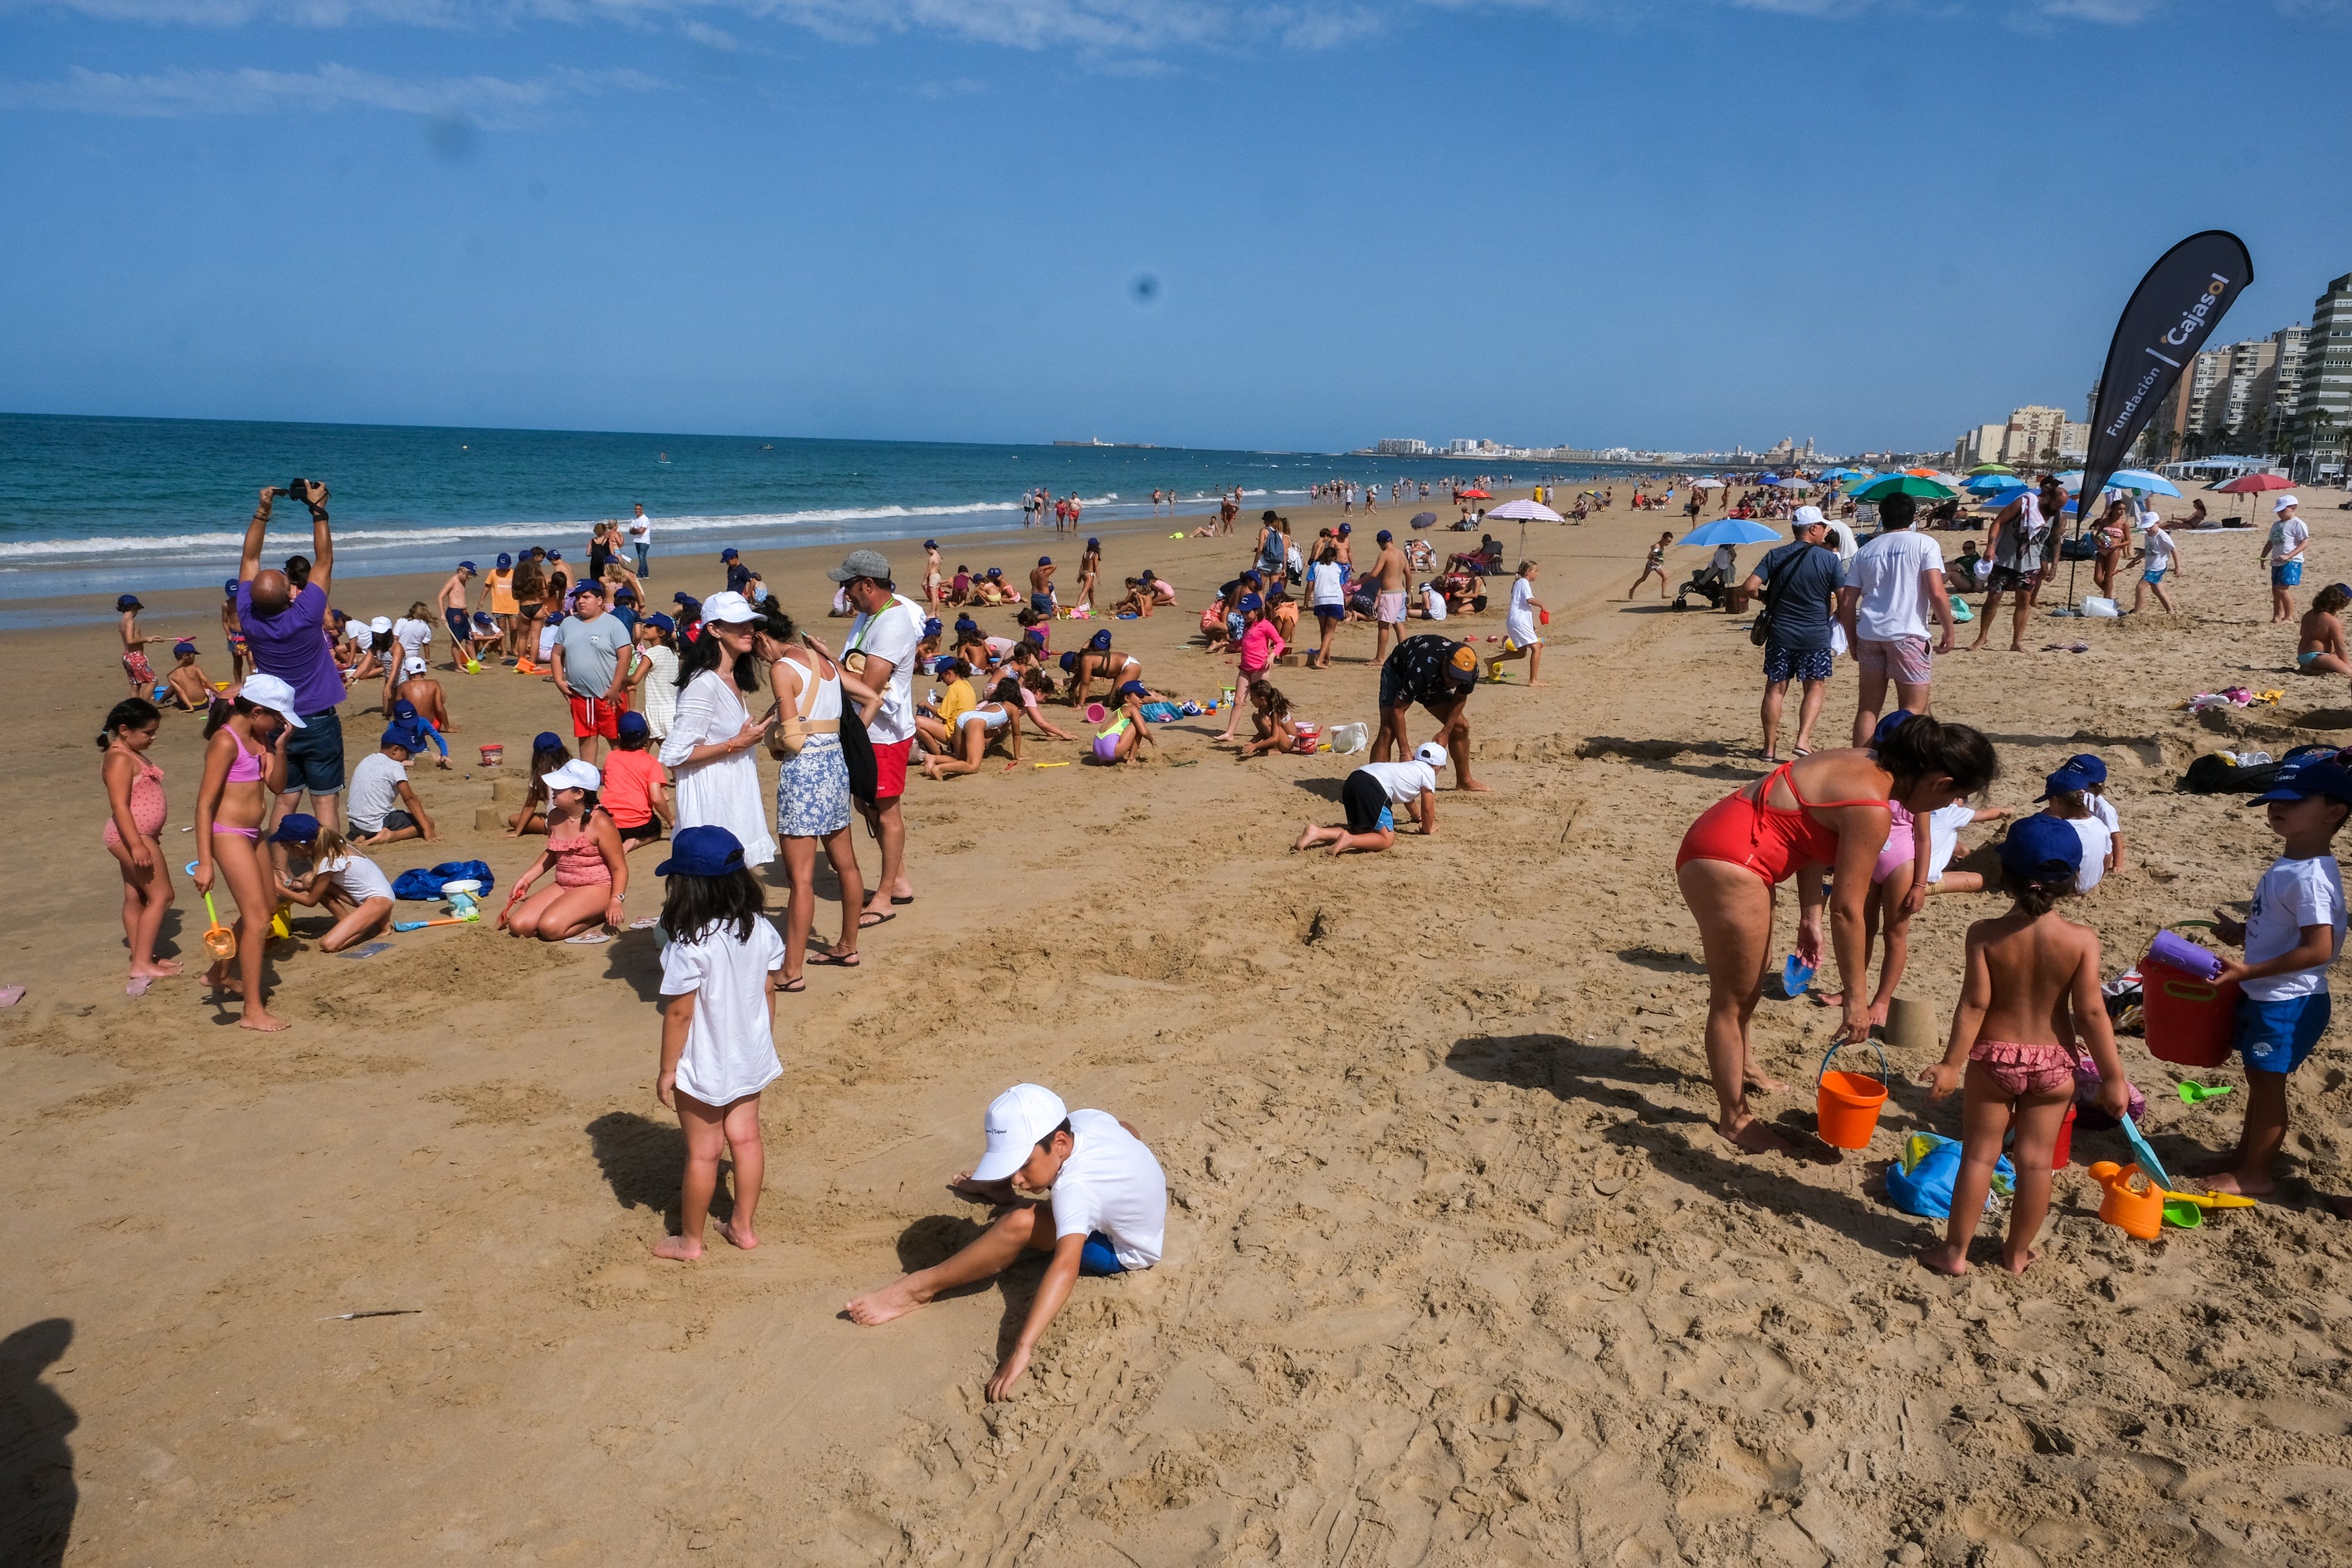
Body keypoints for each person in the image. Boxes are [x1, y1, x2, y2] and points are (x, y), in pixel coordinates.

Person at [1675, 715, 1996, 1153]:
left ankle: (1744, 1066)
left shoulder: (1866, 760)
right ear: (1941, 781)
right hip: (1732, 861)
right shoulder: (1872, 807)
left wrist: (1809, 918)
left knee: (1752, 978)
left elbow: (1808, 834)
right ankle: (1734, 1119)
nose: (1949, 806)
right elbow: (1848, 911)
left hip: (1726, 839)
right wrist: (1857, 1001)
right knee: (1733, 999)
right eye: (1956, 796)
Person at [844, 1083, 1166, 1403]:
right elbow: (1129, 1131)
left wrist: (1021, 1348)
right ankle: (1005, 1187)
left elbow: (1065, 1267)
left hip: (1123, 1249)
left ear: (1060, 1142)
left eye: (1022, 1164)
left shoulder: (1075, 1191)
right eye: (1010, 1167)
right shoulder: (1085, 1120)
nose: (1016, 1178)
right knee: (1121, 1128)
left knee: (1020, 1221)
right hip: (1127, 1191)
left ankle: (918, 1290)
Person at [1916, 816, 2130, 1276]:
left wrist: (1952, 1064)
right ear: (2073, 878)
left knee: (1978, 1155)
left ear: (2004, 873)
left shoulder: (1985, 934)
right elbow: (2092, 1014)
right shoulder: (2080, 940)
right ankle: (2015, 1254)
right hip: (2054, 1065)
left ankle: (1955, 1253)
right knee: (2035, 1165)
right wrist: (2114, 1079)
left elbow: (1974, 1004)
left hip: (1995, 1057)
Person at [2199, 757, 2351, 1199]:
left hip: (2288, 1000)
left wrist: (2249, 969)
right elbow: (2289, 931)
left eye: (2294, 800)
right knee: (2258, 1081)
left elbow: (2320, 948)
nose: (2276, 809)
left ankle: (2256, 1174)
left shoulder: (2311, 877)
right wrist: (2246, 932)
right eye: (2273, 801)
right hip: (2267, 992)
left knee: (2268, 1088)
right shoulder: (2291, 865)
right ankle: (2245, 1157)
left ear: (2334, 812)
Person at [648, 825, 783, 1260]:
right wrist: (761, 1039)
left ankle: (691, 1240)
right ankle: (742, 1226)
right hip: (750, 1053)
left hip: (704, 1061)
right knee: (746, 1140)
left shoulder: (688, 944)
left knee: (704, 1154)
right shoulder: (761, 928)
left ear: (684, 888)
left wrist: (669, 1069)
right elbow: (768, 990)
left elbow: (680, 1012)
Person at [762, 611, 868, 992]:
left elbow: (792, 739)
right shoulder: (824, 662)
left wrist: (771, 737)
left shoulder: (782, 668)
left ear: (762, 637)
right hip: (834, 765)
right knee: (847, 865)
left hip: (804, 772)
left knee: (801, 879)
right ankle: (847, 945)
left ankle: (791, 971)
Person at [194, 674, 304, 1031]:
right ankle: (252, 1011)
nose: (281, 724)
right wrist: (205, 862)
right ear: (257, 711)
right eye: (278, 718)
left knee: (268, 908)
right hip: (227, 834)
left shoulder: (260, 737)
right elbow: (204, 805)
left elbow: (276, 786)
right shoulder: (224, 742)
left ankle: (217, 973)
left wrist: (280, 746)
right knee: (257, 920)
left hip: (254, 834)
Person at [236, 482, 347, 832]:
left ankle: (278, 866)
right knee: (325, 800)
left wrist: (262, 510)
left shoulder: (248, 616)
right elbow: (324, 560)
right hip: (317, 718)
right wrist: (318, 509)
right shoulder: (306, 614)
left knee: (285, 798)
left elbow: (249, 558)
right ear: (290, 595)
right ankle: (329, 864)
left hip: (277, 718)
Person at [832, 549, 925, 923]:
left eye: (848, 586)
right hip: (868, 729)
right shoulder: (871, 616)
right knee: (866, 804)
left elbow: (868, 685)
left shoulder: (891, 623)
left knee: (887, 812)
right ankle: (898, 879)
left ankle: (885, 896)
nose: (844, 594)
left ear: (867, 585)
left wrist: (823, 665)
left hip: (884, 733)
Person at [658, 591, 778, 871]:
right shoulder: (704, 683)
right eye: (738, 624)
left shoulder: (731, 678)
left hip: (734, 796)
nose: (749, 629)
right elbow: (674, 755)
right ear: (713, 629)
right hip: (713, 803)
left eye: (750, 622)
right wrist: (735, 744)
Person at [1838, 492, 1955, 747]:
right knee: (1913, 710)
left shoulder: (1865, 551)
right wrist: (1949, 629)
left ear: (1883, 517)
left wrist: (1852, 640)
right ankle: (1907, 766)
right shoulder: (1924, 544)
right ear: (1913, 516)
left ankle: (1859, 766)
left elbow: (1847, 604)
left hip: (1870, 632)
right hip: (1908, 633)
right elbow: (1936, 591)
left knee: (1868, 709)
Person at [1743, 511, 1844, 763]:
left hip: (1781, 633)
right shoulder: (1829, 560)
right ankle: (1802, 740)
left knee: (1775, 689)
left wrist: (1766, 598)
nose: (1826, 532)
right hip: (1815, 635)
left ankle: (1768, 748)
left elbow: (1748, 587)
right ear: (1812, 529)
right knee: (1814, 687)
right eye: (1822, 527)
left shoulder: (1776, 555)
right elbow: (1844, 598)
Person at [98, 698, 178, 996]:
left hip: (141, 835)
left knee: (136, 897)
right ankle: (142, 963)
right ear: (124, 730)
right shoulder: (119, 758)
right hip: (133, 836)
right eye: (148, 732)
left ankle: (141, 955)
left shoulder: (129, 752)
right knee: (162, 895)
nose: (153, 737)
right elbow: (119, 805)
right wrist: (137, 845)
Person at [499, 758, 628, 942]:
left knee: (549, 928)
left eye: (559, 788)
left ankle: (597, 914)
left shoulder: (600, 822)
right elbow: (553, 852)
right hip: (564, 884)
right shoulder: (555, 816)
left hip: (596, 887)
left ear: (578, 794)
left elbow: (619, 867)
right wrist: (526, 879)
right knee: (519, 926)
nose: (553, 791)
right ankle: (574, 912)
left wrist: (616, 899)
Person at [1372, 634, 1487, 792]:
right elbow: (1398, 710)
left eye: (1459, 680)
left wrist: (1446, 732)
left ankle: (1464, 781)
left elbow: (1460, 697)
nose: (1454, 683)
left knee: (1460, 727)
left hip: (1433, 682)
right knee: (1388, 729)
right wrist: (1405, 752)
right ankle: (1374, 786)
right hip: (1399, 672)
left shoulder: (1470, 671)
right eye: (1452, 676)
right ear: (1446, 661)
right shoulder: (1422, 668)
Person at [268, 814, 395, 952]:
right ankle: (352, 922)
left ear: (298, 847)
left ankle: (365, 927)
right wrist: (289, 883)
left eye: (287, 849)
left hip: (379, 901)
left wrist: (279, 888)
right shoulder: (332, 847)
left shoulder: (329, 862)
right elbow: (311, 883)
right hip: (374, 897)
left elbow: (310, 901)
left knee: (329, 944)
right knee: (311, 882)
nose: (289, 854)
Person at [1295, 741, 1443, 855]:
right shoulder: (1428, 772)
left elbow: (1408, 797)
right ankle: (1349, 840)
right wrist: (1426, 828)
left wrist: (1416, 816)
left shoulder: (1408, 767)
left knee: (1362, 830)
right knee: (1386, 839)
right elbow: (1428, 808)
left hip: (1355, 778)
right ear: (1437, 767)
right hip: (1373, 787)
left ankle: (1316, 832)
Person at [1970, 475, 2059, 653]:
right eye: (2057, 504)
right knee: (1994, 597)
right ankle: (1982, 637)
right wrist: (1990, 546)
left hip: (2030, 563)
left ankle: (2017, 642)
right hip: (2004, 558)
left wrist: (2054, 564)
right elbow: (1998, 522)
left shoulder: (2057, 516)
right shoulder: (2024, 503)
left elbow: (2056, 540)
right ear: (2048, 497)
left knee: (2023, 601)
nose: (2058, 509)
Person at [552, 577, 635, 766]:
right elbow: (556, 654)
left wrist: (615, 688)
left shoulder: (613, 624)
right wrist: (559, 680)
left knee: (616, 737)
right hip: (580, 695)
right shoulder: (568, 624)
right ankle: (588, 777)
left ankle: (623, 772)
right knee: (586, 736)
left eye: (586, 597)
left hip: (609, 695)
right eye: (578, 598)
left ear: (599, 600)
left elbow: (625, 657)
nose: (580, 601)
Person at [923, 676, 1040, 777]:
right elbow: (1016, 734)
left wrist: (999, 731)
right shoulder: (1012, 707)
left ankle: (933, 758)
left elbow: (983, 731)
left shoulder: (992, 703)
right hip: (975, 722)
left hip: (963, 718)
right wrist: (1017, 756)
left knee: (960, 760)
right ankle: (939, 769)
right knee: (973, 767)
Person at [348, 723, 438, 846]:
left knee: (403, 814)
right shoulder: (395, 766)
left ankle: (367, 835)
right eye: (408, 754)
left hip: (355, 825)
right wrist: (428, 830)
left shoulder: (367, 760)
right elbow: (409, 798)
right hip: (377, 822)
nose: (408, 758)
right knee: (428, 822)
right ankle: (390, 836)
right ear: (395, 750)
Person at [1215, 597, 1284, 744]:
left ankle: (1270, 732)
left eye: (1247, 612)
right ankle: (1229, 733)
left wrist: (1272, 655)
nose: (1244, 615)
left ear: (1257, 611)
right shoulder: (1247, 626)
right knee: (1238, 700)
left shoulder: (1265, 625)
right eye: (1243, 612)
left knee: (1263, 704)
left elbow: (1280, 642)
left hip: (1260, 669)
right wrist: (1226, 645)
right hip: (1245, 668)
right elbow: (1243, 642)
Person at [599, 712, 672, 853]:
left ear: (619, 736)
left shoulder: (611, 757)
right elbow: (657, 799)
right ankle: (635, 842)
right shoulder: (651, 762)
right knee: (656, 828)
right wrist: (671, 819)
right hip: (638, 825)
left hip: (610, 823)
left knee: (614, 831)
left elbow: (605, 780)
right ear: (646, 736)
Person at [1488, 562, 1547, 685]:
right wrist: (1542, 605)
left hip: (1517, 620)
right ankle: (1533, 680)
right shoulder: (1523, 582)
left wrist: (1531, 625)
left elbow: (1523, 606)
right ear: (1528, 571)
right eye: (1535, 571)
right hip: (1518, 621)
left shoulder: (1519, 583)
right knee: (1536, 648)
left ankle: (1491, 661)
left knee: (1521, 653)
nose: (1537, 574)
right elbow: (1529, 600)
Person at [2262, 495, 2310, 625]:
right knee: (2275, 590)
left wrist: (2289, 555)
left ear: (2293, 508)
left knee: (2282, 588)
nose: (2279, 513)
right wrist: (2263, 556)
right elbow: (2270, 542)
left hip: (2291, 562)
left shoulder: (2298, 524)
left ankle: (2289, 617)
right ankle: (2277, 615)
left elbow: (2305, 542)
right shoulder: (2276, 525)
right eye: (2278, 511)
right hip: (2276, 561)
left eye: (2282, 510)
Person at [1368, 528, 1410, 663]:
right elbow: (1409, 575)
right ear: (1391, 540)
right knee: (1399, 623)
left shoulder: (1385, 554)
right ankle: (1405, 655)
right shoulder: (1401, 554)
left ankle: (1380, 658)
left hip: (1390, 594)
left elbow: (1374, 574)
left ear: (1380, 543)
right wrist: (1408, 592)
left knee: (1383, 625)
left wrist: (1359, 582)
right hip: (1401, 592)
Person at [1090, 682, 1155, 766]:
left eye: (1143, 697)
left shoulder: (1117, 711)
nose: (1142, 699)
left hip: (1097, 750)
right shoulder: (1132, 708)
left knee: (1124, 728)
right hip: (1111, 750)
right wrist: (1152, 740)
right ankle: (1131, 759)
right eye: (1139, 696)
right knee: (1137, 724)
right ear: (1127, 698)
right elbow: (1144, 732)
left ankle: (1104, 760)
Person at [2127, 516, 2181, 615]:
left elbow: (2173, 549)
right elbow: (2146, 551)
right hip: (2150, 566)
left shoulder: (2162, 536)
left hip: (2157, 568)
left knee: (2140, 587)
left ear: (2157, 523)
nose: (2147, 529)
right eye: (2145, 527)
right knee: (2157, 590)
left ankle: (2136, 612)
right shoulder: (2147, 536)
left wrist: (2177, 567)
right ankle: (2170, 611)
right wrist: (2134, 561)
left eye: (2150, 526)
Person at [1305, 543, 1347, 669]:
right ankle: (1320, 660)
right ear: (1334, 557)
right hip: (1335, 600)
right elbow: (1341, 586)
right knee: (1329, 633)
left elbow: (1309, 586)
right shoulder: (1339, 567)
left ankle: (1326, 659)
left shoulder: (1315, 566)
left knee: (1324, 632)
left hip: (1320, 600)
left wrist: (1306, 602)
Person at [2297, 584, 2352, 676]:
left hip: (2302, 656)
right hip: (2317, 656)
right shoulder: (2332, 621)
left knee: (2336, 664)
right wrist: (2347, 665)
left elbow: (2302, 633)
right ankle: (2313, 671)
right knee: (2348, 672)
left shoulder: (2308, 614)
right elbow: (2340, 648)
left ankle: (2310, 668)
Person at [436, 562, 480, 671]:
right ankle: (458, 666)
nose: (469, 578)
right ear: (461, 571)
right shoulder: (453, 581)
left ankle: (475, 664)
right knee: (457, 640)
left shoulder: (463, 581)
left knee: (470, 639)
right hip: (454, 613)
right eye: (468, 574)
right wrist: (442, 614)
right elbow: (440, 597)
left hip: (464, 612)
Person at [116, 594, 160, 701]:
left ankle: (134, 707)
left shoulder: (122, 621)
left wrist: (152, 638)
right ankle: (143, 707)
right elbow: (130, 641)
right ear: (134, 608)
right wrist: (147, 639)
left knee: (136, 684)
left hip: (127, 656)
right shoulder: (130, 621)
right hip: (136, 657)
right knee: (153, 681)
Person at [1236, 682, 1297, 759]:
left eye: (1252, 697)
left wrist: (1255, 746)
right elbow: (1263, 733)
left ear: (1262, 699)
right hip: (1280, 737)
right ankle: (1270, 745)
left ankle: (1276, 748)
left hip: (1289, 743)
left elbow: (1275, 737)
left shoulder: (1275, 712)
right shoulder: (1262, 708)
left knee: (1264, 720)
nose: (1251, 700)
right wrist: (1250, 743)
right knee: (1256, 716)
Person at [162, 640, 212, 711]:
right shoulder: (195, 668)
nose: (194, 657)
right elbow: (207, 682)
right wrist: (220, 693)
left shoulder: (171, 675)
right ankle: (160, 702)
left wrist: (191, 708)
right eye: (193, 655)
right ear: (185, 656)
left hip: (188, 705)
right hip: (205, 703)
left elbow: (181, 692)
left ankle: (160, 702)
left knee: (174, 686)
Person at [1626, 532, 1673, 600]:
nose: (1668, 544)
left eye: (1669, 542)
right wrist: (1654, 562)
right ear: (1663, 539)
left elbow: (1653, 548)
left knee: (1664, 577)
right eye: (1667, 542)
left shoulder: (1660, 545)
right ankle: (1632, 589)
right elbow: (1649, 556)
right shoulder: (1657, 547)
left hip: (1657, 564)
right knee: (1643, 579)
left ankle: (1663, 594)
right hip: (1652, 564)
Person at [628, 504, 654, 580]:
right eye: (636, 509)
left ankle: (640, 574)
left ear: (641, 510)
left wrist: (635, 530)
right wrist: (637, 530)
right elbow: (630, 531)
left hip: (644, 541)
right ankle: (646, 574)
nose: (636, 511)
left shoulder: (645, 519)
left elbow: (641, 531)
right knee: (642, 558)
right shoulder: (635, 520)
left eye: (638, 509)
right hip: (637, 540)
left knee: (642, 557)